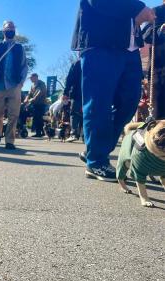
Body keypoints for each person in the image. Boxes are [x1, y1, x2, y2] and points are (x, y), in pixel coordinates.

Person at [72, 0, 155, 182]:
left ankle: (95, 150)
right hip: (101, 44)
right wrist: (138, 7)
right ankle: (96, 162)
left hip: (130, 48)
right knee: (98, 104)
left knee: (130, 102)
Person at [0, 20, 27, 150]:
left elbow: (24, 66)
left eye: (12, 28)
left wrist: (21, 82)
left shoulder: (20, 47)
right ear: (3, 31)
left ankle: (10, 141)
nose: (10, 30)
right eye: (8, 28)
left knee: (14, 115)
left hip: (14, 86)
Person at [142, 1, 165, 120]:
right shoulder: (157, 12)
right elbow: (145, 35)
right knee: (159, 117)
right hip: (160, 74)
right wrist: (160, 30)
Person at [63, 59, 83, 142]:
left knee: (74, 113)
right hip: (91, 93)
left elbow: (70, 79)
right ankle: (86, 136)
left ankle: (74, 133)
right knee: (87, 114)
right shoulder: (97, 61)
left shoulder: (77, 63)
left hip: (77, 93)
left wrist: (66, 92)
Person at [25, 73, 47, 138]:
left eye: (31, 78)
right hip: (35, 104)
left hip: (41, 103)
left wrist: (34, 98)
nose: (30, 79)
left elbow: (40, 92)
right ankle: (39, 132)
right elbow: (29, 94)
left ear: (36, 77)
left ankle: (40, 132)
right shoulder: (32, 85)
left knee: (39, 118)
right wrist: (26, 99)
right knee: (36, 118)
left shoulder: (41, 83)